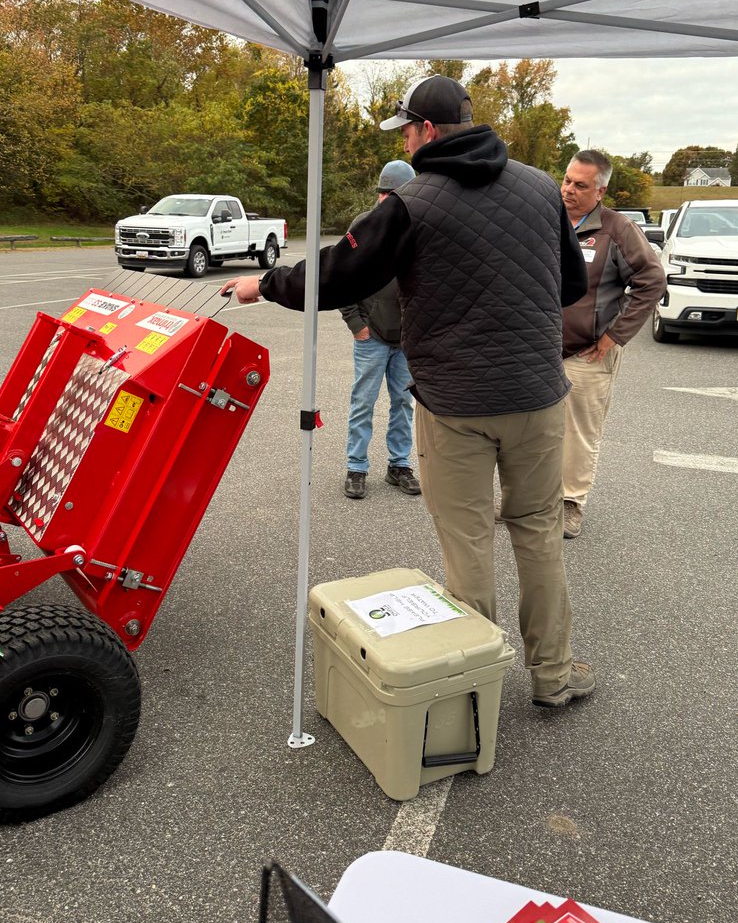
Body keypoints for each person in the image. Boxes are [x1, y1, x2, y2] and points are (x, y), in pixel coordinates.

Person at [225, 75, 593, 708]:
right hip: (537, 395)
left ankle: (472, 692)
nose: (408, 140)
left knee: (468, 539)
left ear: (424, 131)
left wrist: (267, 284)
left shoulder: (411, 201)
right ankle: (553, 678)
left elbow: (338, 276)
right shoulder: (540, 187)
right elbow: (568, 286)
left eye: (407, 129)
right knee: (536, 531)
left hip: (455, 403)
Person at [560, 151, 667, 538]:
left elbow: (652, 281)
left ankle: (570, 502)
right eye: (567, 180)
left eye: (580, 185)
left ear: (601, 190)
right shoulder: (546, 220)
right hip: (537, 350)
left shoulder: (616, 229)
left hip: (587, 352)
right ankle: (531, 501)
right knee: (532, 430)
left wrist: (614, 335)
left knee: (578, 432)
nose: (569, 190)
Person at [340, 159, 421, 501]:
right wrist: (356, 323)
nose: (387, 202)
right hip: (371, 335)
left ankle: (398, 465)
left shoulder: (417, 226)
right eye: (386, 195)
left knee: (403, 402)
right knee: (364, 401)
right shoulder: (363, 226)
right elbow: (342, 277)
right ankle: (356, 467)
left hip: (406, 338)